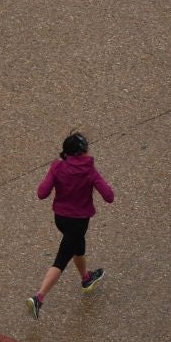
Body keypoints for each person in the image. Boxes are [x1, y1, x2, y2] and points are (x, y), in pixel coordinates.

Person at [26, 131, 114, 319]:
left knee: (77, 246)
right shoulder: (89, 171)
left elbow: (42, 193)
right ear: (82, 151)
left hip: (61, 219)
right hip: (78, 222)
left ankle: (86, 279)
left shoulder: (57, 166)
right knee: (61, 259)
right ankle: (38, 298)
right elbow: (109, 197)